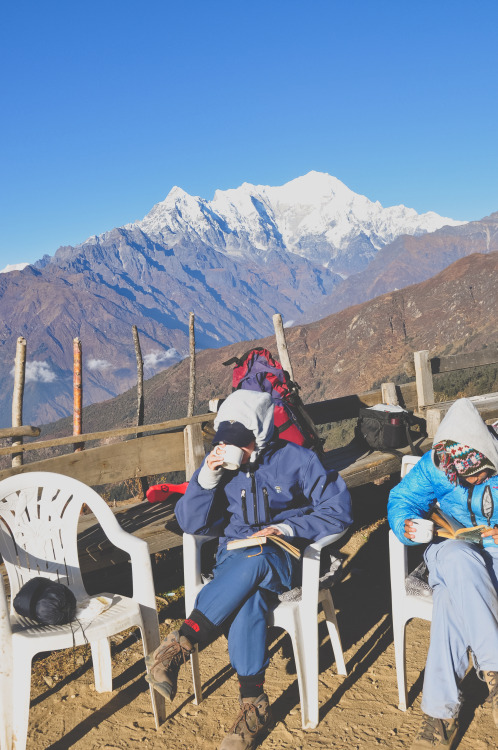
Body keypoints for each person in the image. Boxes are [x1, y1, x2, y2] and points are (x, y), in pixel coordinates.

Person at [145, 389, 352, 749]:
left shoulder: (298, 460)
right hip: (233, 556)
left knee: (257, 557)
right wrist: (205, 481)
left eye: (242, 443)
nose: (233, 450)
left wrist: (288, 529)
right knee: (249, 598)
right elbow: (190, 523)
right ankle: (253, 703)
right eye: (226, 442)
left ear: (260, 436)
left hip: (284, 553)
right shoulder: (219, 468)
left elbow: (339, 509)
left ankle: (184, 641)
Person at [388, 398, 498, 750]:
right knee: (455, 558)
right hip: (451, 548)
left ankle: (439, 713)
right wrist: (406, 524)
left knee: (450, 598)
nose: (470, 481)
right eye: (462, 477)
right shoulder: (437, 465)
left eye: (477, 474)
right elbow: (401, 499)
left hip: (494, 554)